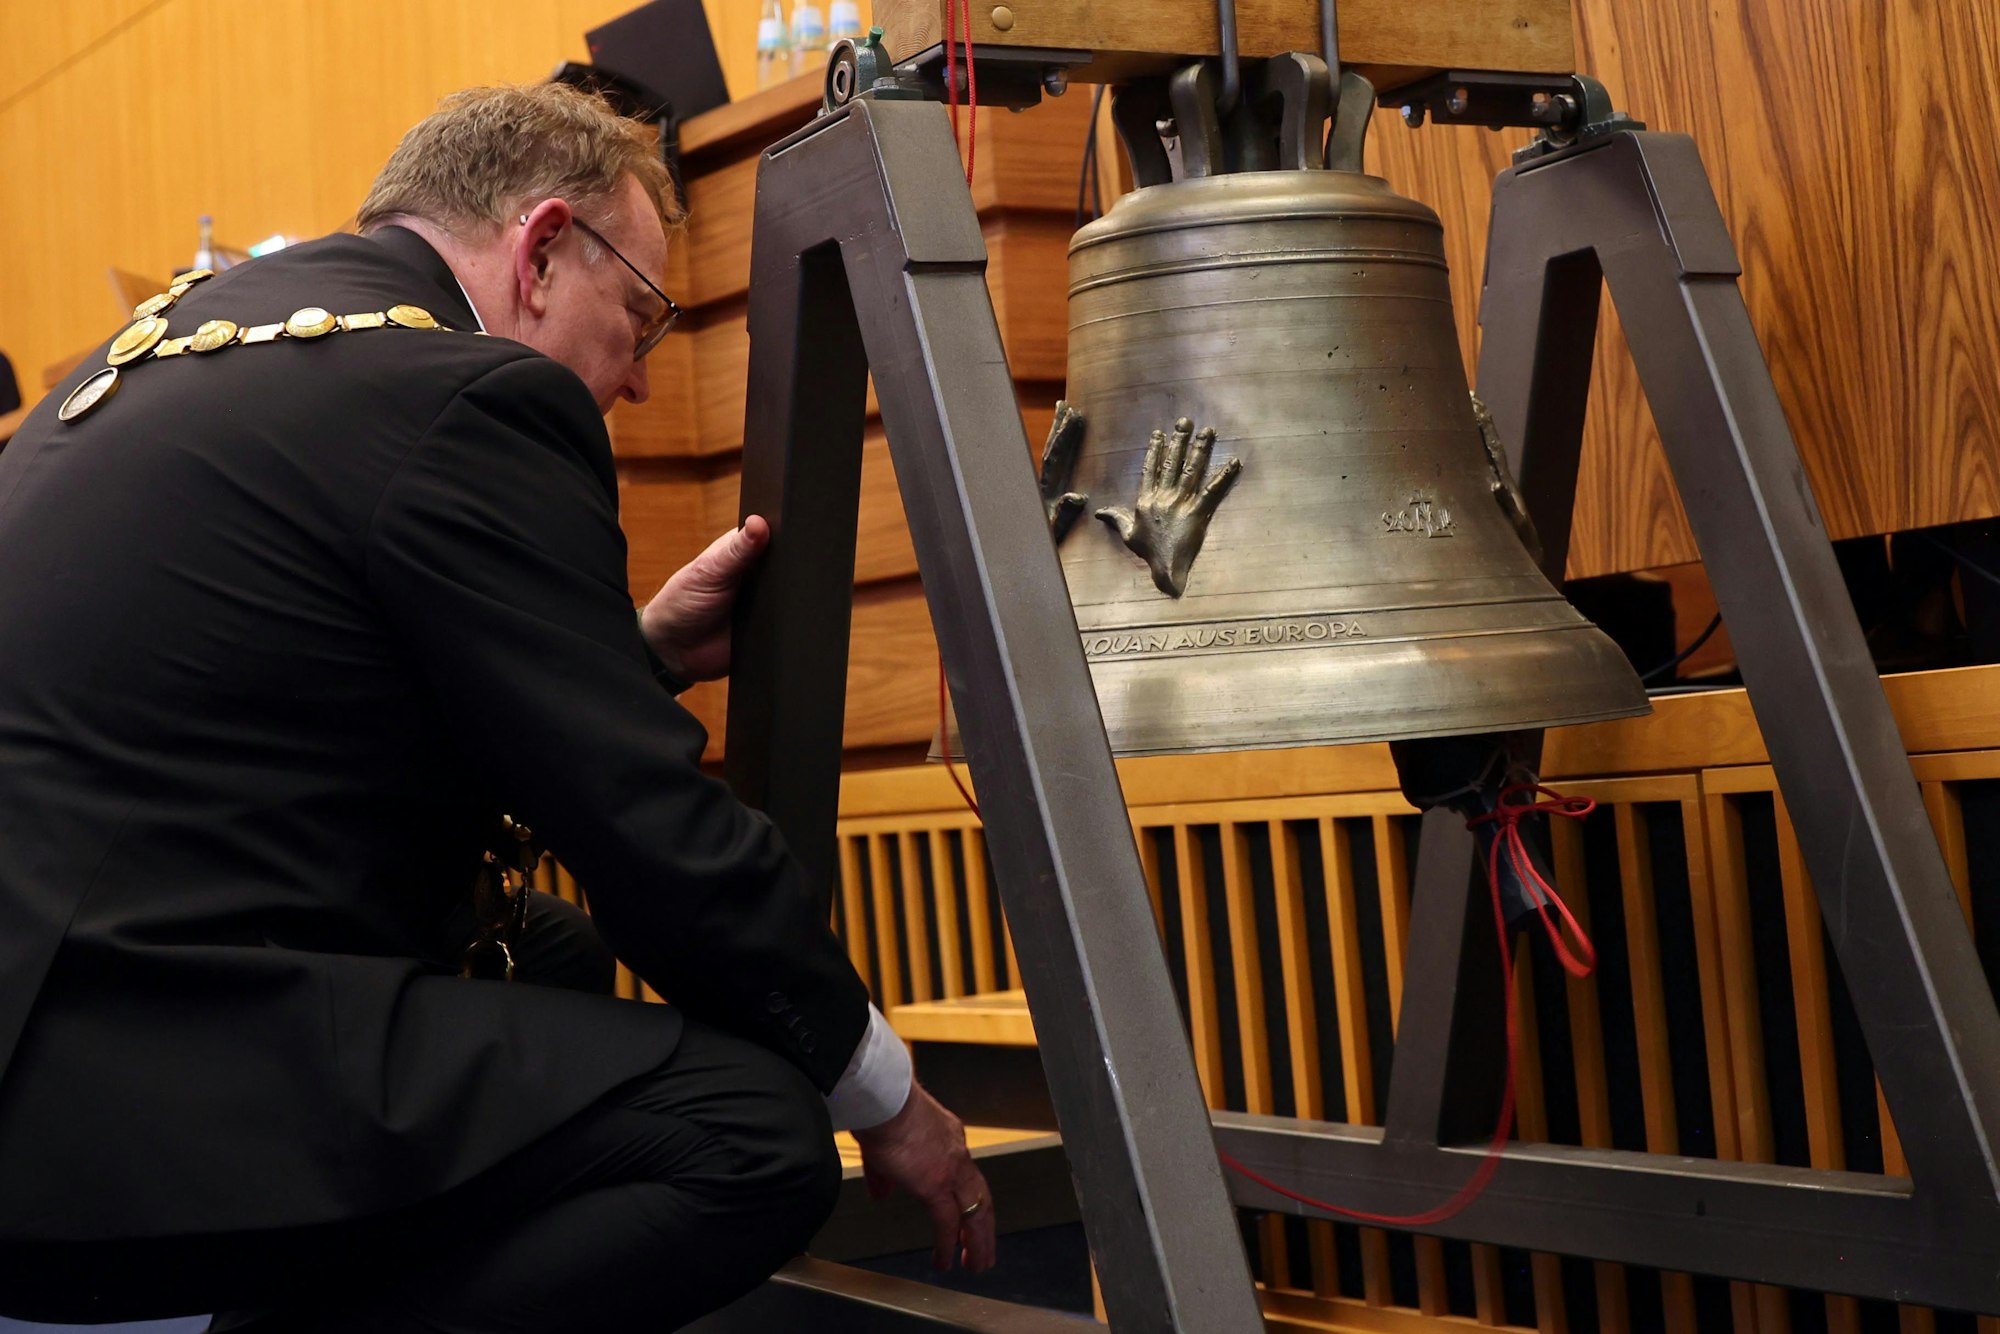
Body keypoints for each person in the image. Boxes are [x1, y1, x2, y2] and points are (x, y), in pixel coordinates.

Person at [0, 82, 993, 1331]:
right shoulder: (465, 394)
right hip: (112, 1091)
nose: (636, 381)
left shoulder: (202, 340)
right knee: (753, 1137)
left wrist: (630, 655)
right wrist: (887, 1097)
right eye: (639, 314)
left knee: (549, 950)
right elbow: (644, 829)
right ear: (538, 250)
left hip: (56, 1002)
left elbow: (316, 697)